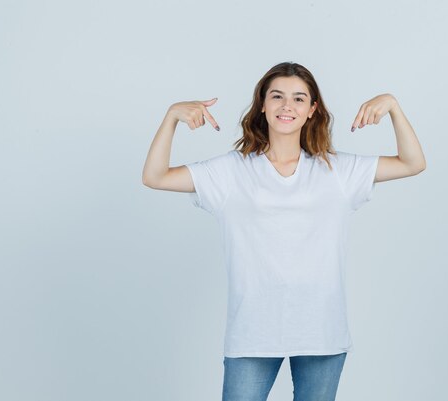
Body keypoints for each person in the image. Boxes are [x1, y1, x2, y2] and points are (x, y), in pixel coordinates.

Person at [142, 62, 426, 401]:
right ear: (262, 104)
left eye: (298, 98)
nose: (287, 106)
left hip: (321, 331)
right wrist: (172, 116)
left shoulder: (336, 170)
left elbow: (413, 163)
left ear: (312, 110)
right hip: (253, 333)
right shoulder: (231, 171)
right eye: (277, 96)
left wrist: (392, 105)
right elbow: (155, 176)